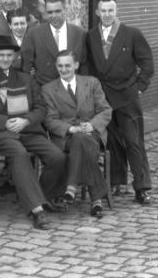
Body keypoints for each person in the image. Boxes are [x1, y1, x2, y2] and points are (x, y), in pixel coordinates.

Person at [0, 35, 67, 230]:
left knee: (57, 157)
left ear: (14, 56)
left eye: (9, 55)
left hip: (28, 129)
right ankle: (37, 210)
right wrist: (5, 122)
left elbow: (41, 108)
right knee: (19, 153)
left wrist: (26, 120)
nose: (5, 59)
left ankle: (41, 195)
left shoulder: (26, 79)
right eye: (1, 55)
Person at [86, 0, 154, 204]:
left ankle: (142, 187)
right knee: (112, 143)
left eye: (111, 11)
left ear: (116, 11)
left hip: (127, 97)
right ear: (97, 12)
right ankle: (117, 182)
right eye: (103, 11)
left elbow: (147, 62)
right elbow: (90, 66)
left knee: (134, 142)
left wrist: (139, 88)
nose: (107, 15)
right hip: (105, 99)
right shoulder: (91, 36)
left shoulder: (131, 34)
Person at [41, 50, 112, 218]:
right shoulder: (48, 89)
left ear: (76, 65)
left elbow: (105, 109)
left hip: (91, 133)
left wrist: (92, 124)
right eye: (60, 66)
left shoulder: (92, 82)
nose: (64, 69)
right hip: (66, 136)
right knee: (80, 140)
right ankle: (97, 199)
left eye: (67, 65)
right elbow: (49, 120)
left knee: (82, 139)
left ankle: (71, 186)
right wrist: (70, 129)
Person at [21, 0, 87, 86]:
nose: (54, 15)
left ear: (65, 10)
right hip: (43, 92)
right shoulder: (34, 33)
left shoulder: (80, 34)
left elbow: (84, 66)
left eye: (57, 11)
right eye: (50, 12)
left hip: (73, 92)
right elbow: (26, 67)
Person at [7, 7, 32, 72]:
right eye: (16, 24)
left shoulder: (33, 40)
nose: (19, 27)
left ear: (27, 23)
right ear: (9, 25)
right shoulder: (3, 42)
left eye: (22, 23)